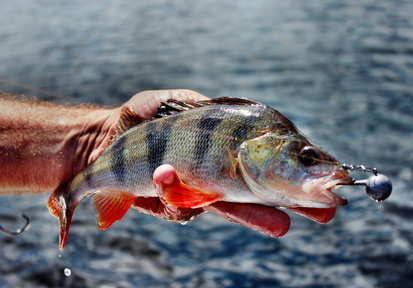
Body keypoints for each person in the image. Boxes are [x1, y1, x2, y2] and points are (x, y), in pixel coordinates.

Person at [0, 89, 337, 238]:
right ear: (254, 148)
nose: (312, 167)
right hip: (122, 159)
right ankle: (71, 194)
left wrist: (85, 143)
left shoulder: (261, 145)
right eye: (305, 158)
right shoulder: (255, 135)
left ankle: (74, 191)